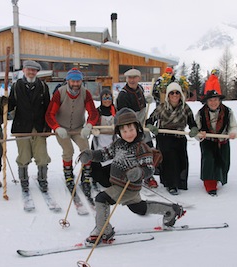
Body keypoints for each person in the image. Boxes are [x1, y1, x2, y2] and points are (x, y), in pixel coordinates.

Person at [78, 108, 185, 244]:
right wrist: (91, 155)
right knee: (138, 208)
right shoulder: (118, 144)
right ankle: (171, 210)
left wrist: (139, 173)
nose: (128, 134)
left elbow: (149, 169)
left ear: (137, 128)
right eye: (124, 131)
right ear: (119, 132)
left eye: (131, 129)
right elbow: (105, 154)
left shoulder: (141, 147)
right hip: (119, 184)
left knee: (101, 199)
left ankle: (104, 231)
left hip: (128, 186)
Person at [45, 68, 99, 198]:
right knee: (68, 151)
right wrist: (57, 127)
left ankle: (85, 176)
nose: (75, 84)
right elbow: (50, 114)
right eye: (73, 81)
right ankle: (68, 175)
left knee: (86, 149)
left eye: (78, 81)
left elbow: (93, 112)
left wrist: (89, 125)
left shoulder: (86, 93)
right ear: (68, 81)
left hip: (78, 127)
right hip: (62, 128)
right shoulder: (60, 93)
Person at [146, 82, 199, 195]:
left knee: (181, 160)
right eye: (172, 93)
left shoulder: (185, 108)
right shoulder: (161, 107)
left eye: (177, 93)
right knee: (170, 161)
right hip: (164, 137)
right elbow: (149, 121)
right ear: (168, 95)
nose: (174, 95)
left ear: (180, 95)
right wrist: (151, 127)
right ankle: (171, 185)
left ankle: (180, 183)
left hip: (179, 137)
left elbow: (192, 123)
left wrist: (194, 129)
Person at [7, 60, 51, 192]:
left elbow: (48, 108)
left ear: (37, 72)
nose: (31, 72)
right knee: (23, 156)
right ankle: (24, 180)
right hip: (22, 127)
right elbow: (10, 106)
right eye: (28, 69)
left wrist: (47, 127)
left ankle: (42, 179)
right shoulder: (16, 86)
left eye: (34, 70)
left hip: (39, 127)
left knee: (42, 156)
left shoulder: (43, 86)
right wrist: (4, 102)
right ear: (24, 70)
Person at [115, 68, 157, 188]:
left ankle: (148, 175)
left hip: (142, 124)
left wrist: (146, 100)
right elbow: (124, 116)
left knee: (148, 150)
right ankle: (132, 175)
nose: (132, 80)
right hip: (131, 127)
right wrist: (134, 129)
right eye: (129, 78)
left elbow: (142, 107)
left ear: (139, 79)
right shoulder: (123, 95)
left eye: (134, 77)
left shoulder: (140, 89)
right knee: (135, 153)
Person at [195, 90, 237, 196]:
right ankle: (209, 184)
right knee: (209, 160)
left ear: (219, 101)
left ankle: (218, 178)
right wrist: (199, 134)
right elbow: (195, 128)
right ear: (207, 102)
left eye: (215, 100)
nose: (213, 102)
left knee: (222, 162)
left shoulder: (228, 111)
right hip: (208, 142)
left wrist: (233, 133)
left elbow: (233, 126)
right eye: (210, 100)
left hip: (222, 141)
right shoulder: (201, 113)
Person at [90, 89, 117, 188]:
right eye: (105, 98)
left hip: (112, 141)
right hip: (99, 141)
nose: (107, 100)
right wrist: (93, 129)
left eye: (109, 98)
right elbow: (90, 123)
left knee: (110, 180)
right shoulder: (97, 112)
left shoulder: (116, 111)